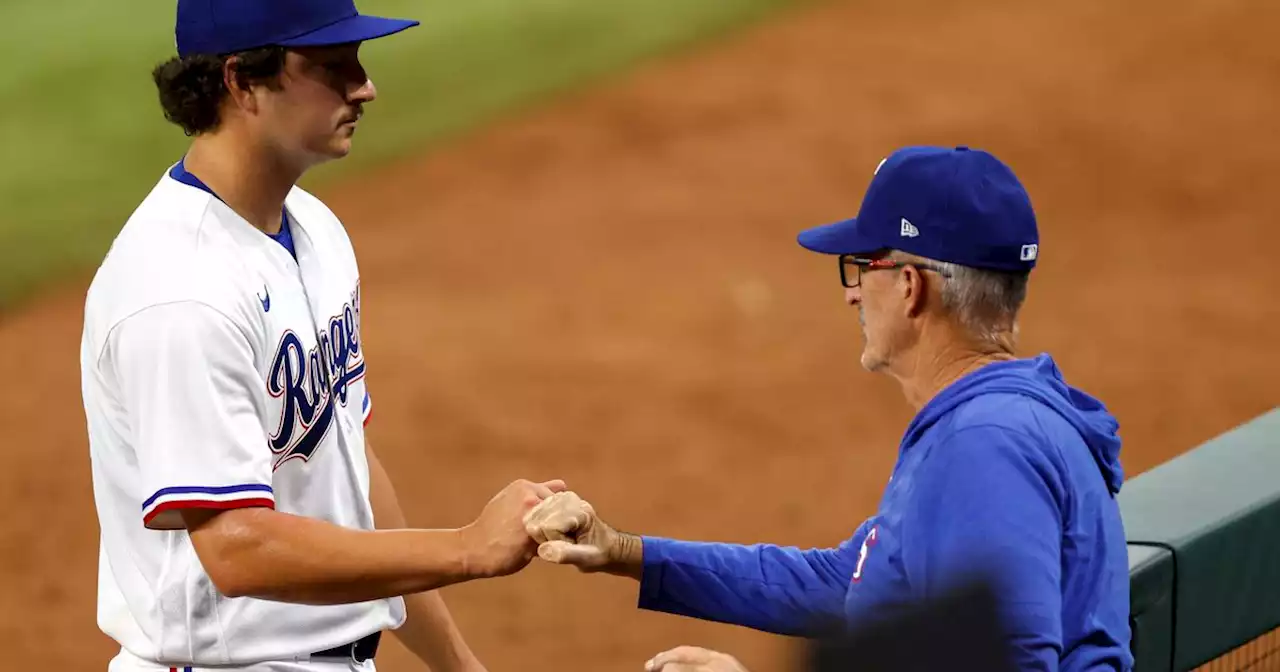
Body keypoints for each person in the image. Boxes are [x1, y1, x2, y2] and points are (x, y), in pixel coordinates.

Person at [79, 1, 564, 670]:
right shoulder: (178, 290)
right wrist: (467, 548)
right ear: (240, 82)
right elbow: (236, 547)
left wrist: (458, 665)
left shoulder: (314, 229)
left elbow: (349, 472)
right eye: (332, 67)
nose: (364, 86)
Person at [523, 146, 1135, 671]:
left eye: (862, 266)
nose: (850, 292)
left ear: (911, 286)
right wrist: (624, 550)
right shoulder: (1002, 418)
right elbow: (853, 582)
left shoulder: (984, 446)